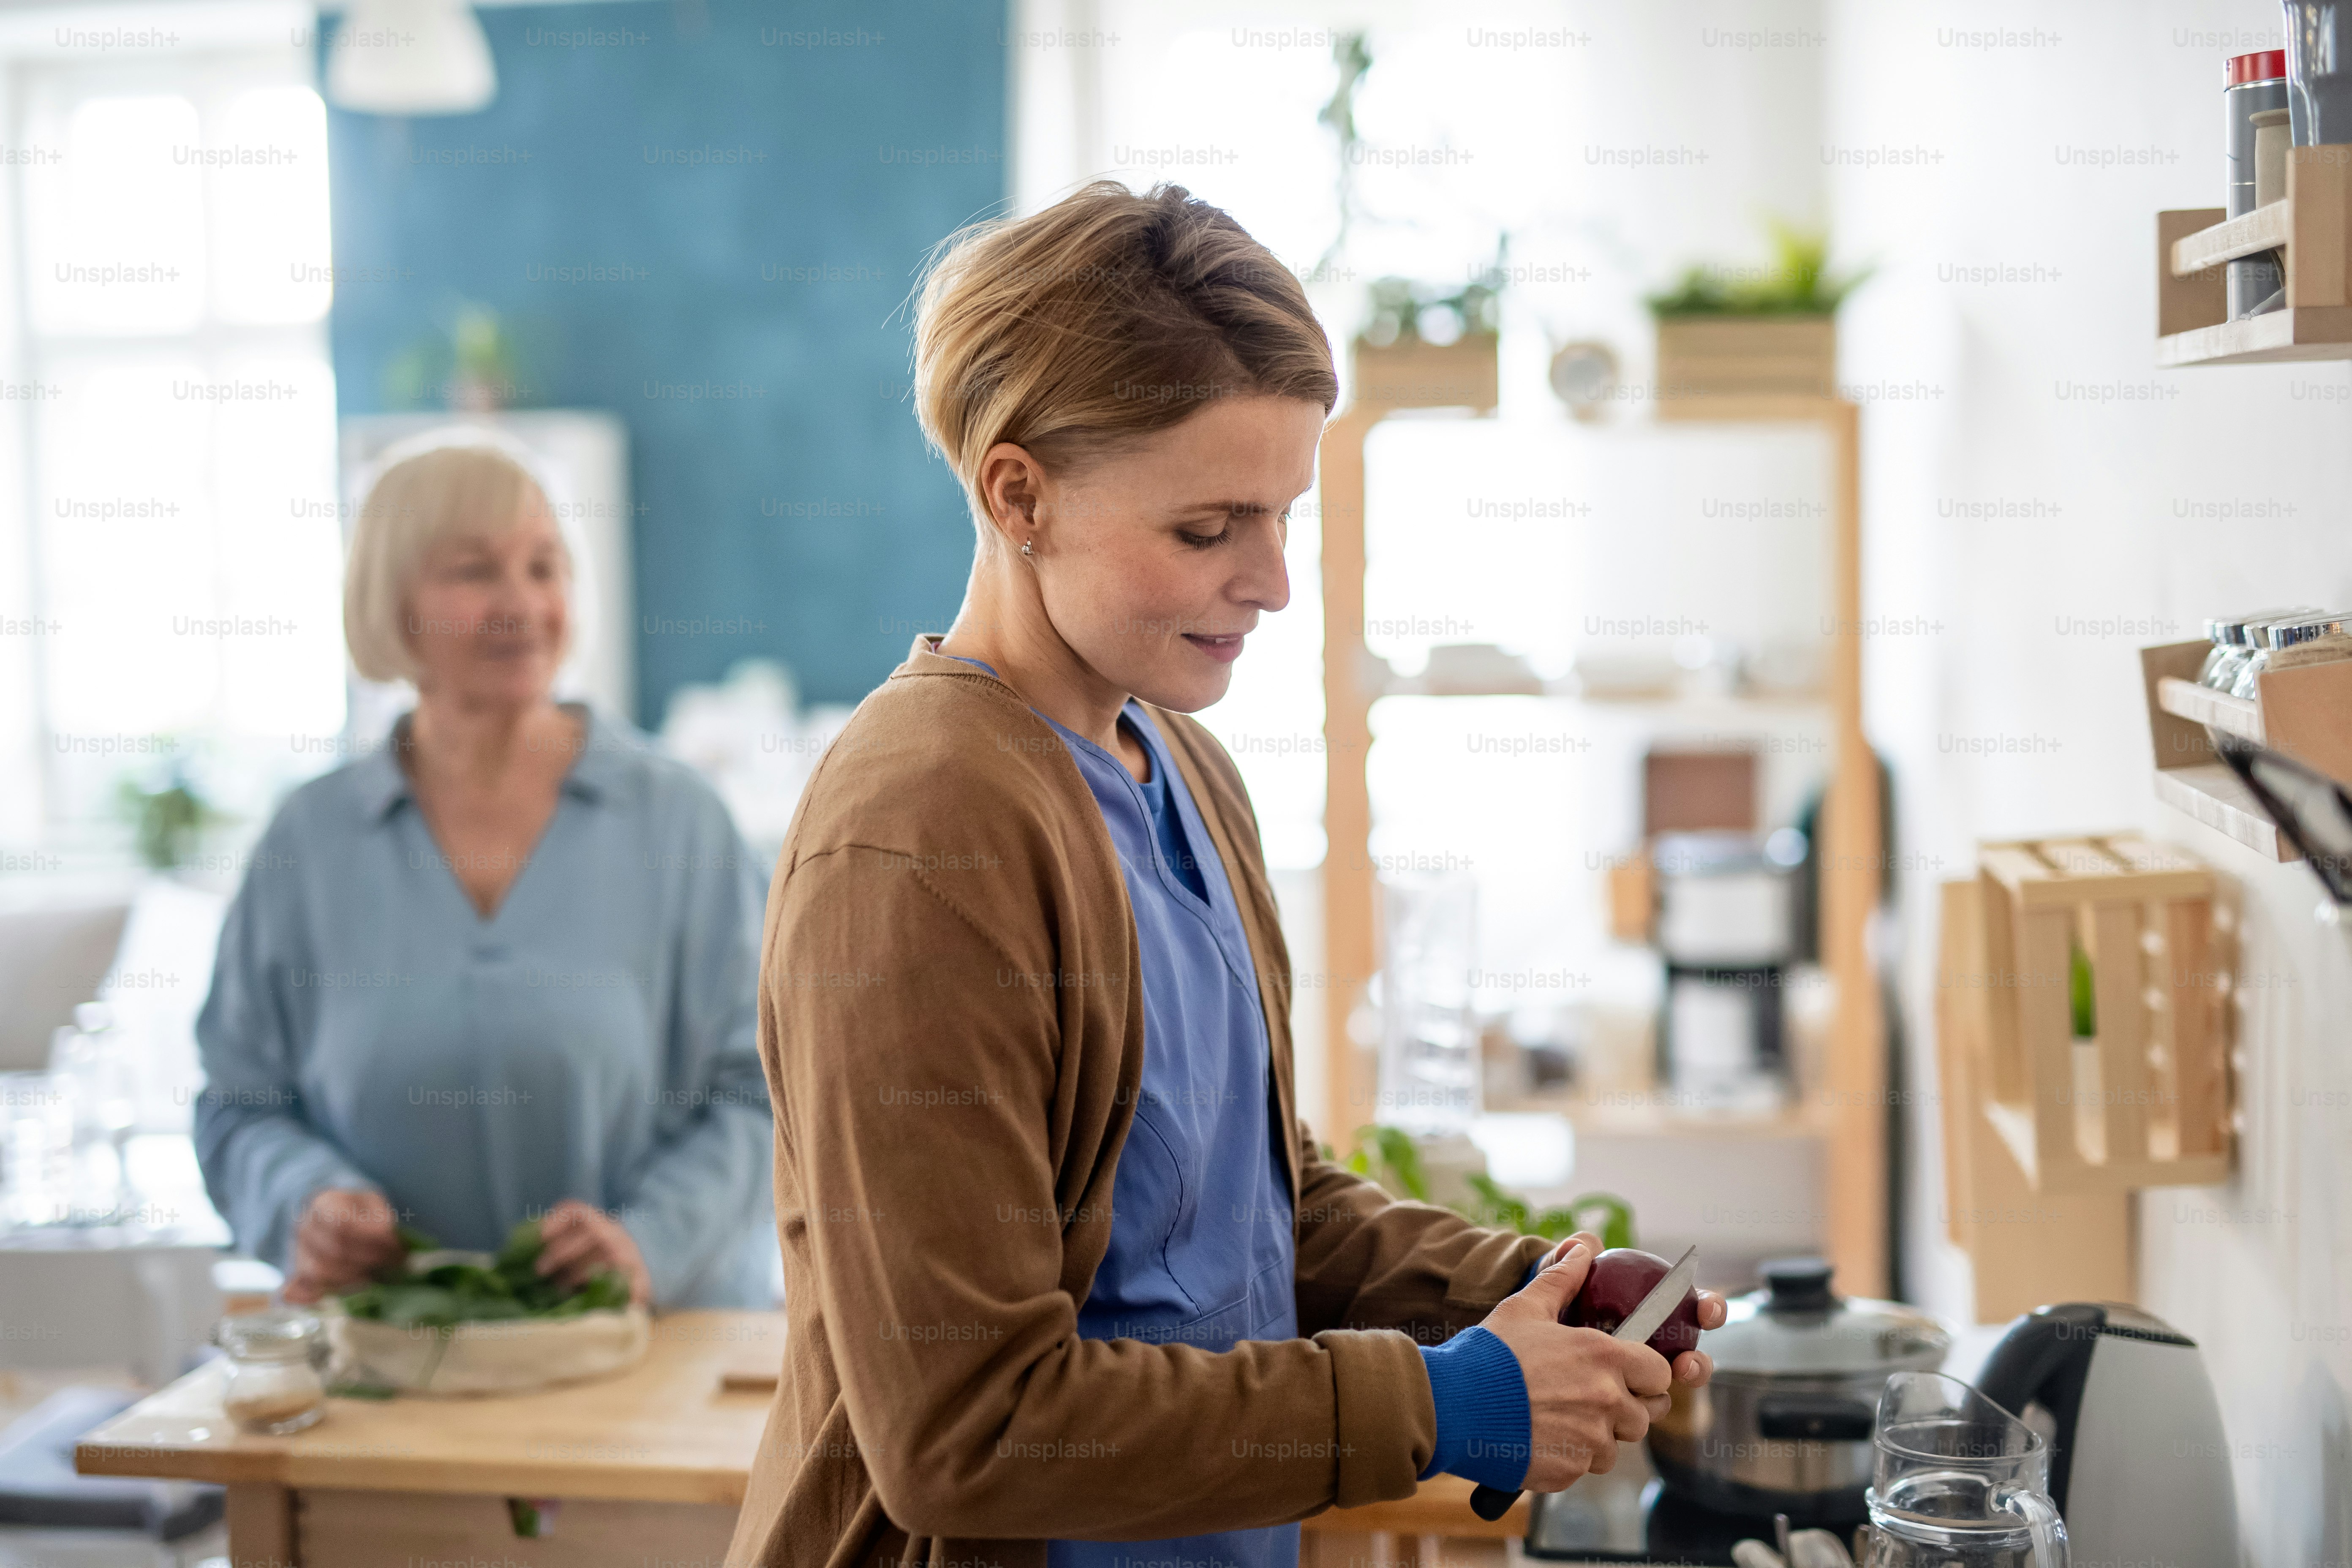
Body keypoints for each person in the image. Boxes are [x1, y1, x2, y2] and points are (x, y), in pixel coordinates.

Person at [728, 182, 1726, 1568]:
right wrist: (1440, 1401)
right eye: (1206, 529)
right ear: (1016, 493)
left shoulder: (1178, 767)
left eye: (1280, 518)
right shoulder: (919, 837)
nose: (1270, 583)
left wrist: (1520, 1289)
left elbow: (1259, 1212)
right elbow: (965, 1428)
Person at [194, 438, 773, 1310]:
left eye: (544, 566)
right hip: (391, 1357)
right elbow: (239, 1102)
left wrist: (651, 1239)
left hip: (651, 1353)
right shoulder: (308, 841)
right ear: (391, 603)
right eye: (473, 571)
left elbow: (762, 1090)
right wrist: (303, 1202)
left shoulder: (680, 821)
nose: (521, 604)